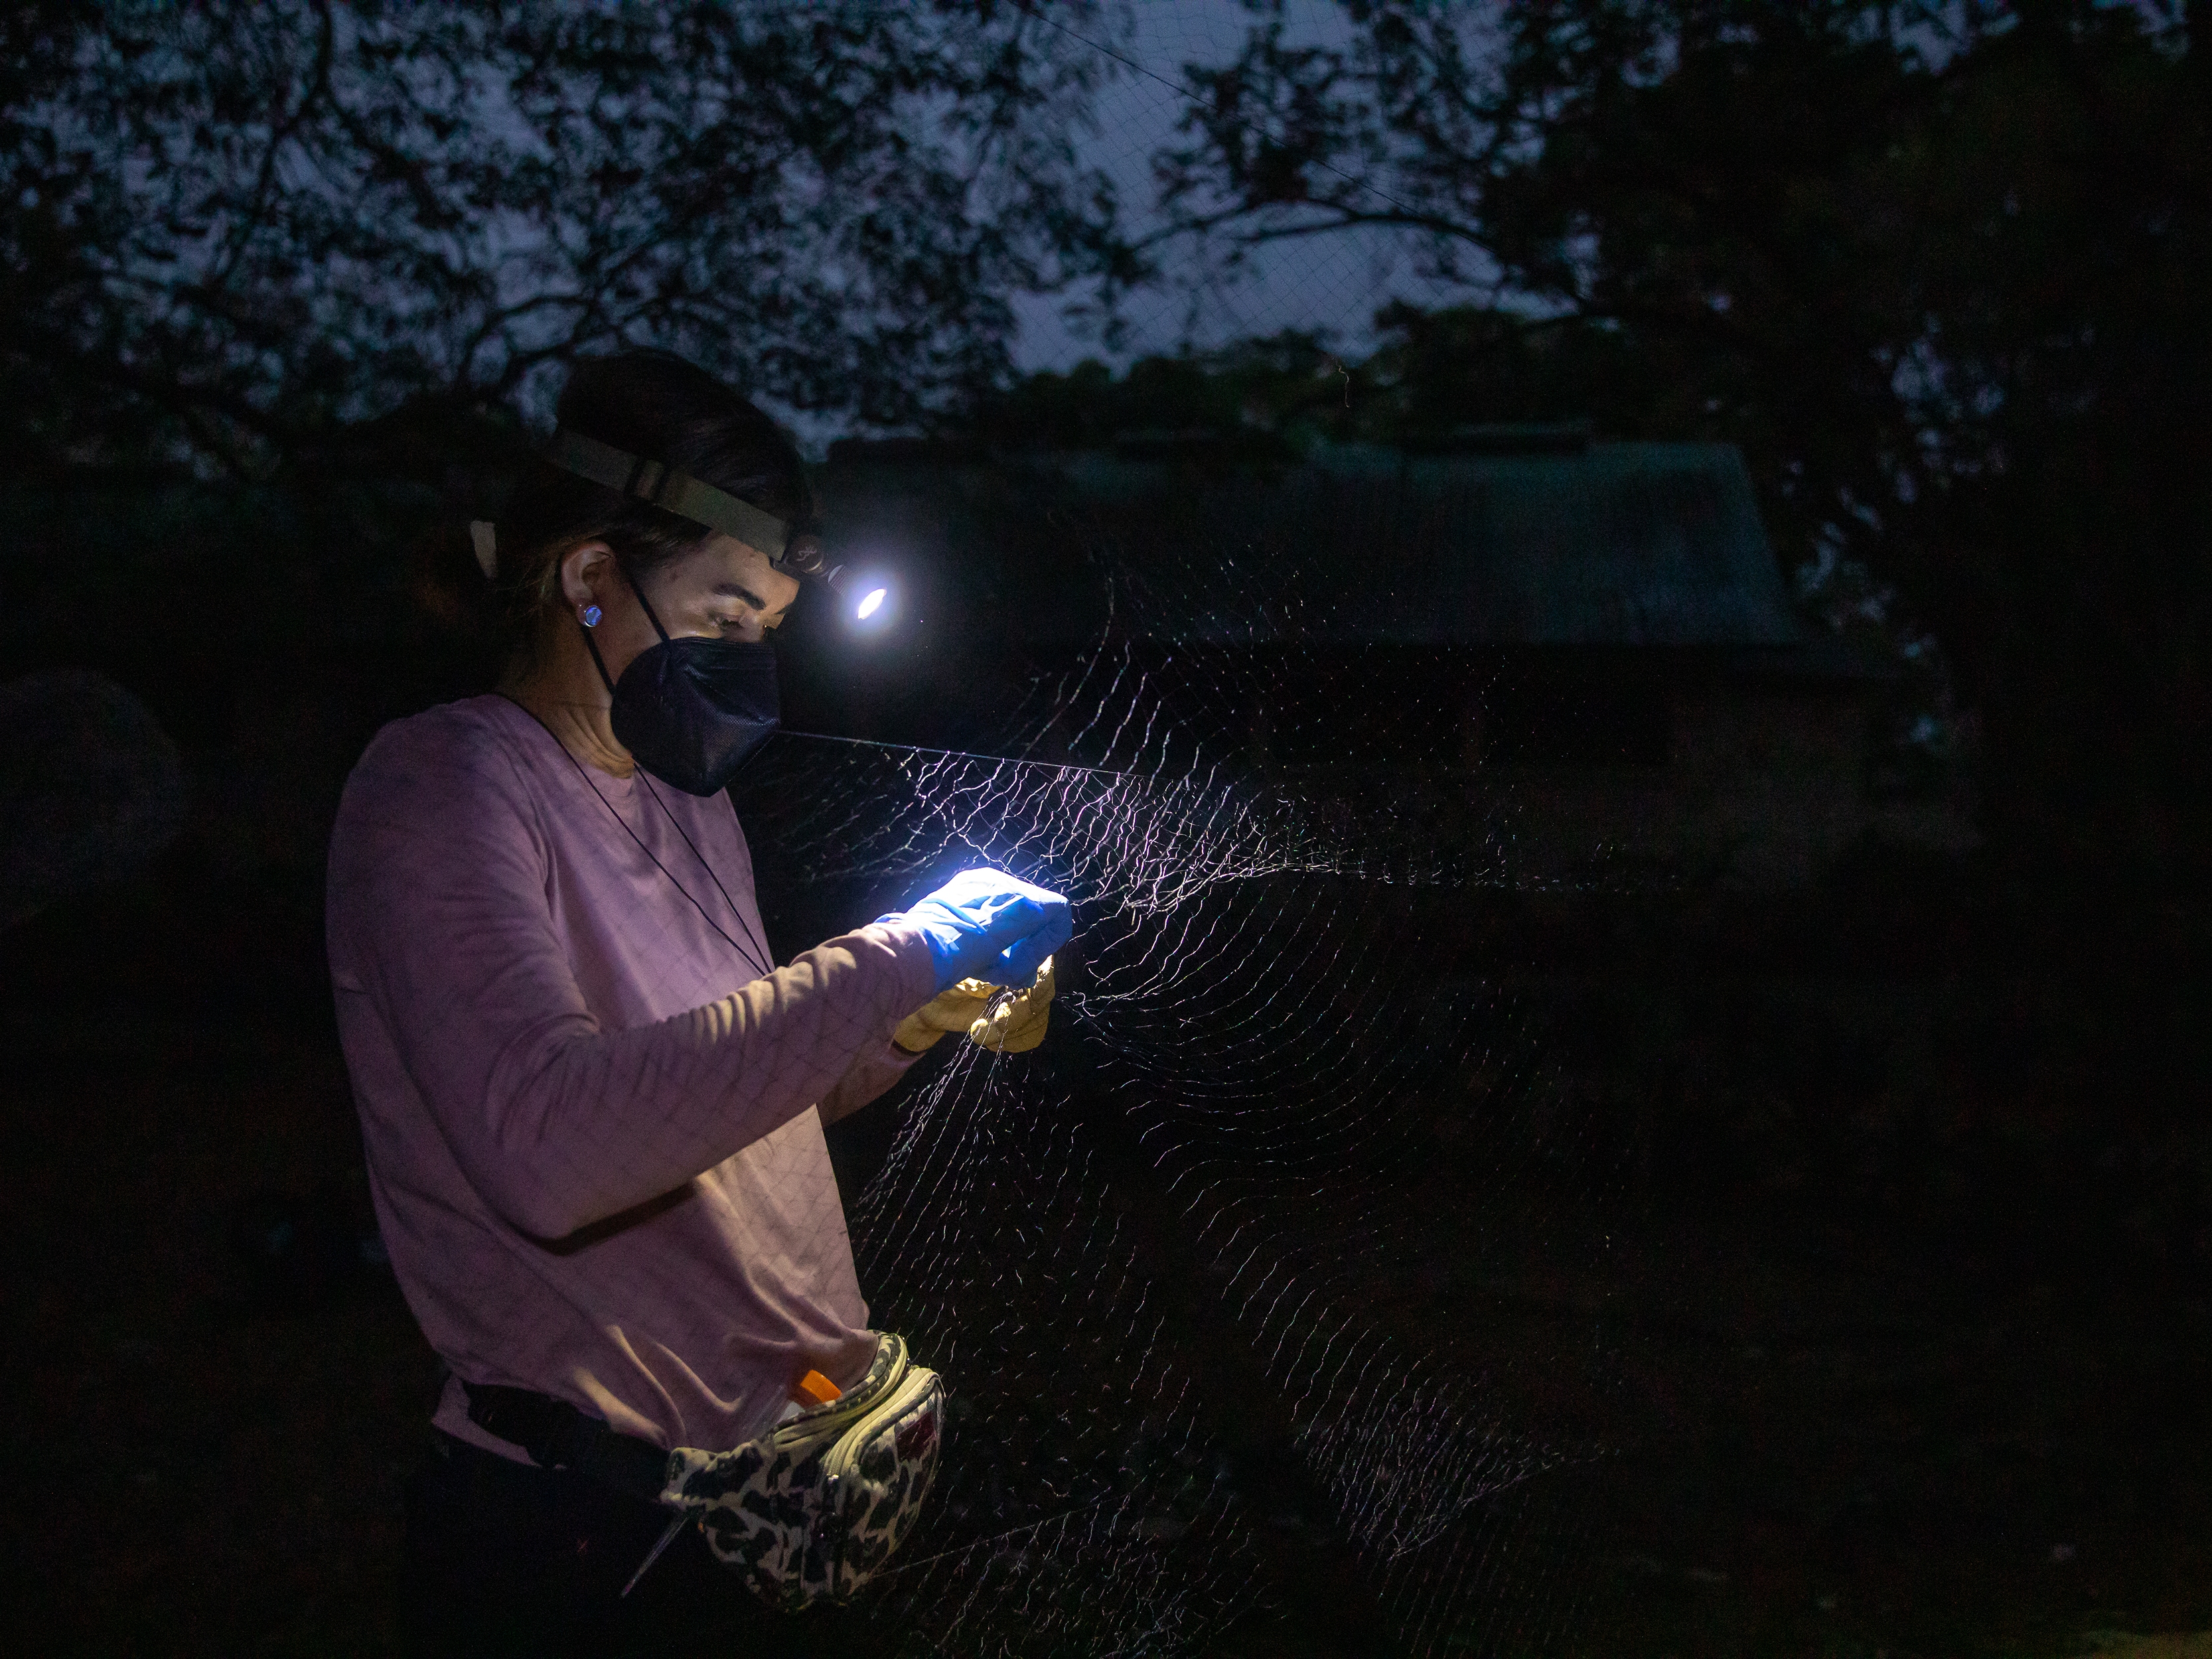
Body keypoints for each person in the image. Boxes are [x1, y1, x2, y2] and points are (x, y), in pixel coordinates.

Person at [325, 350, 1070, 1656]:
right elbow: (551, 1151)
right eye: (725, 615)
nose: (750, 662)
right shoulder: (443, 784)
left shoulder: (688, 806)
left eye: (767, 631)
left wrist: (925, 1008)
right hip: (583, 1537)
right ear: (591, 576)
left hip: (775, 1503)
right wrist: (898, 952)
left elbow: (736, 1093)